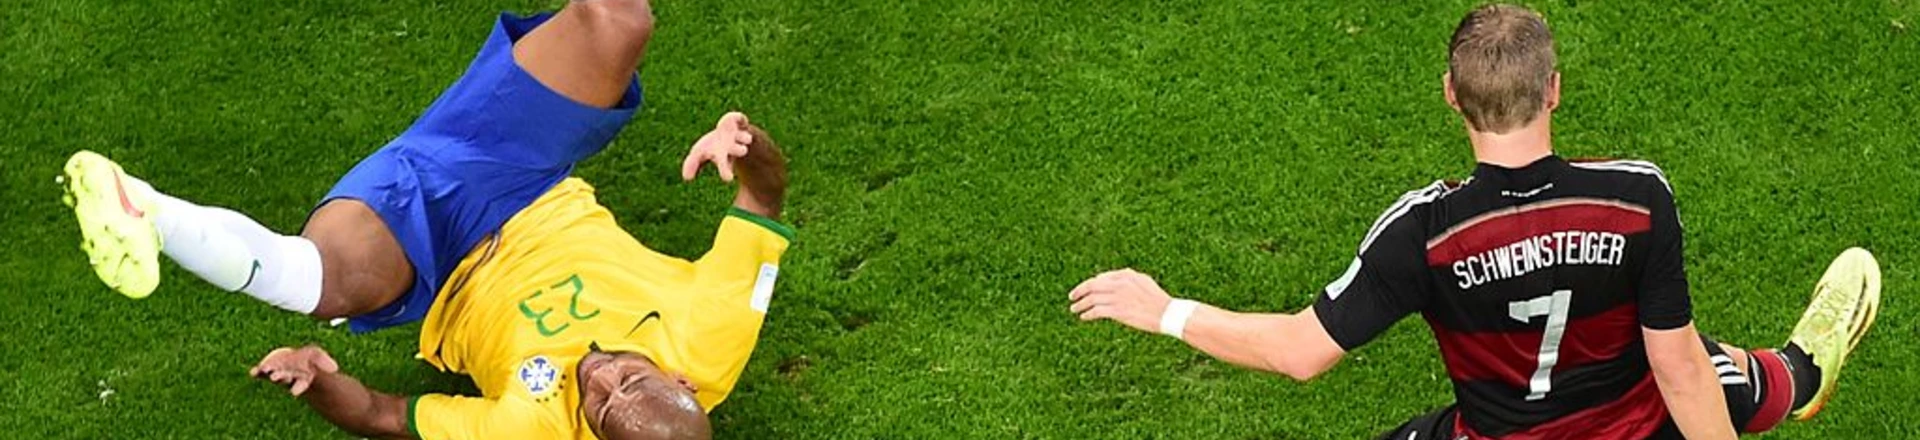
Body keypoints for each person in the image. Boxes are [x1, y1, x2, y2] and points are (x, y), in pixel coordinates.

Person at [1066, 4, 1880, 439]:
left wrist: (1163, 309)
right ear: (1553, 90)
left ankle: (1799, 372)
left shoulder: (1423, 233)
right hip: (1633, 426)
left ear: (1451, 96)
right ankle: (1801, 371)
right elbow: (1678, 373)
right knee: (1708, 367)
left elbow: (1298, 354)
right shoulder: (1636, 198)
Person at [58, 0, 794, 438]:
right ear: (680, 381)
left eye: (598, 410)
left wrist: (318, 379)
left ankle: (145, 210)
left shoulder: (531, 429)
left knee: (325, 284)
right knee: (620, 22)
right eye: (628, 381)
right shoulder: (713, 333)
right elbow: (764, 200)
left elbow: (386, 417)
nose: (597, 379)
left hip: (433, 259)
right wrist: (742, 144)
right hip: (525, 174)